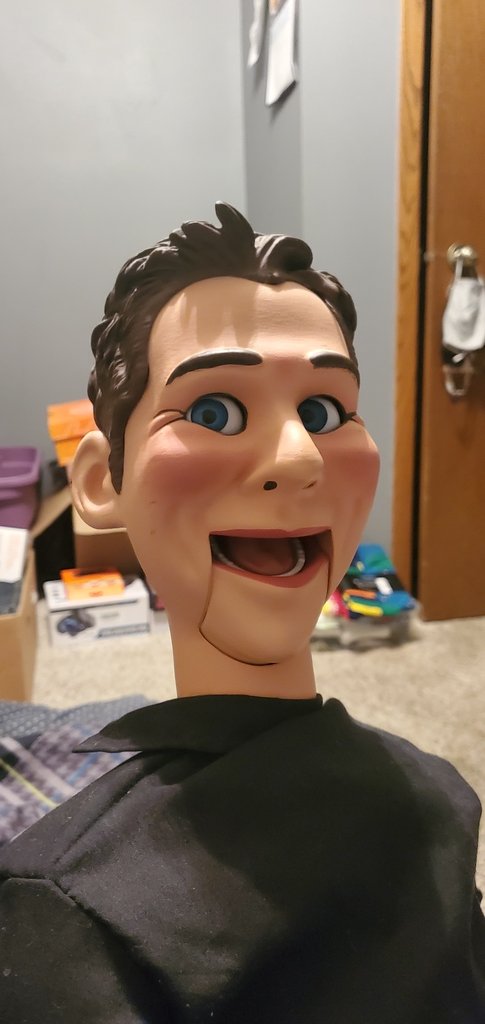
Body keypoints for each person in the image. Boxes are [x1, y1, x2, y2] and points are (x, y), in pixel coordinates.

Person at [0, 203, 483, 1023]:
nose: (297, 459)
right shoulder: (70, 914)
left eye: (324, 411)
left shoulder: (441, 802)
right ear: (103, 482)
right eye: (214, 411)